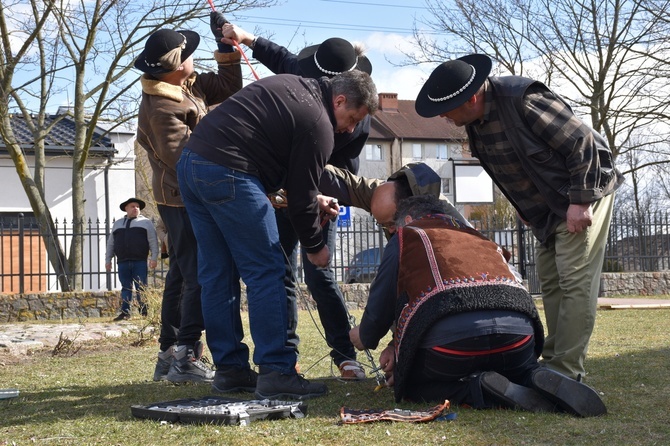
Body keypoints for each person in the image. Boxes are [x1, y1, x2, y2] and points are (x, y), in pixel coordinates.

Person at [414, 54, 624, 381]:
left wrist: (581, 202)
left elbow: (581, 142)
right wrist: (524, 208)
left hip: (583, 192)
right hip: (546, 209)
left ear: (471, 98)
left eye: (448, 107)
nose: (443, 115)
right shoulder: (475, 123)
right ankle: (552, 361)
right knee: (550, 280)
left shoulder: (523, 99)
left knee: (574, 280)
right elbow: (505, 169)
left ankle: (566, 371)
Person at [176, 69, 378, 400]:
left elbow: (285, 172)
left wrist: (313, 198)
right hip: (230, 171)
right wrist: (316, 247)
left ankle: (230, 371)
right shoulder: (320, 124)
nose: (351, 129)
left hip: (193, 165)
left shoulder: (293, 85)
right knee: (268, 271)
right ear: (339, 100)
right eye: (353, 118)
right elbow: (299, 200)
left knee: (217, 273)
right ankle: (277, 370)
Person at [349, 194, 607, 417]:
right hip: (519, 336)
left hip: (451, 344)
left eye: (391, 226)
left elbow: (381, 307)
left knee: (411, 386)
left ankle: (478, 388)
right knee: (517, 365)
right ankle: (530, 377)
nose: (392, 231)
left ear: (406, 220)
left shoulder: (408, 235)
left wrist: (363, 336)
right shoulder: (475, 234)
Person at [220, 23, 373, 379]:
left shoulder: (355, 121)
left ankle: (344, 354)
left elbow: (328, 171)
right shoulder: (308, 77)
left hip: (320, 196)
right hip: (281, 193)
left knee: (319, 274)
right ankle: (286, 354)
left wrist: (318, 198)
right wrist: (243, 38)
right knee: (281, 272)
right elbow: (281, 58)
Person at [134, 15, 243, 384]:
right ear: (177, 65)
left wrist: (226, 46)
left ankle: (170, 353)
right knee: (196, 274)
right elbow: (182, 160)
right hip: (182, 199)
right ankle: (186, 356)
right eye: (190, 54)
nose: (195, 59)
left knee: (182, 274)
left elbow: (228, 85)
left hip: (186, 195)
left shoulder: (186, 84)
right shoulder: (162, 106)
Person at [105, 198, 159, 321]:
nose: (135, 208)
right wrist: (108, 260)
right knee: (126, 287)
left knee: (141, 287)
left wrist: (154, 257)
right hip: (122, 261)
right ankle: (125, 312)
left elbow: (153, 241)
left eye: (137, 207)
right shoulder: (118, 224)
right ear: (126, 208)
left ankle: (144, 311)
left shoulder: (146, 223)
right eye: (132, 206)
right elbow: (111, 243)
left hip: (139, 260)